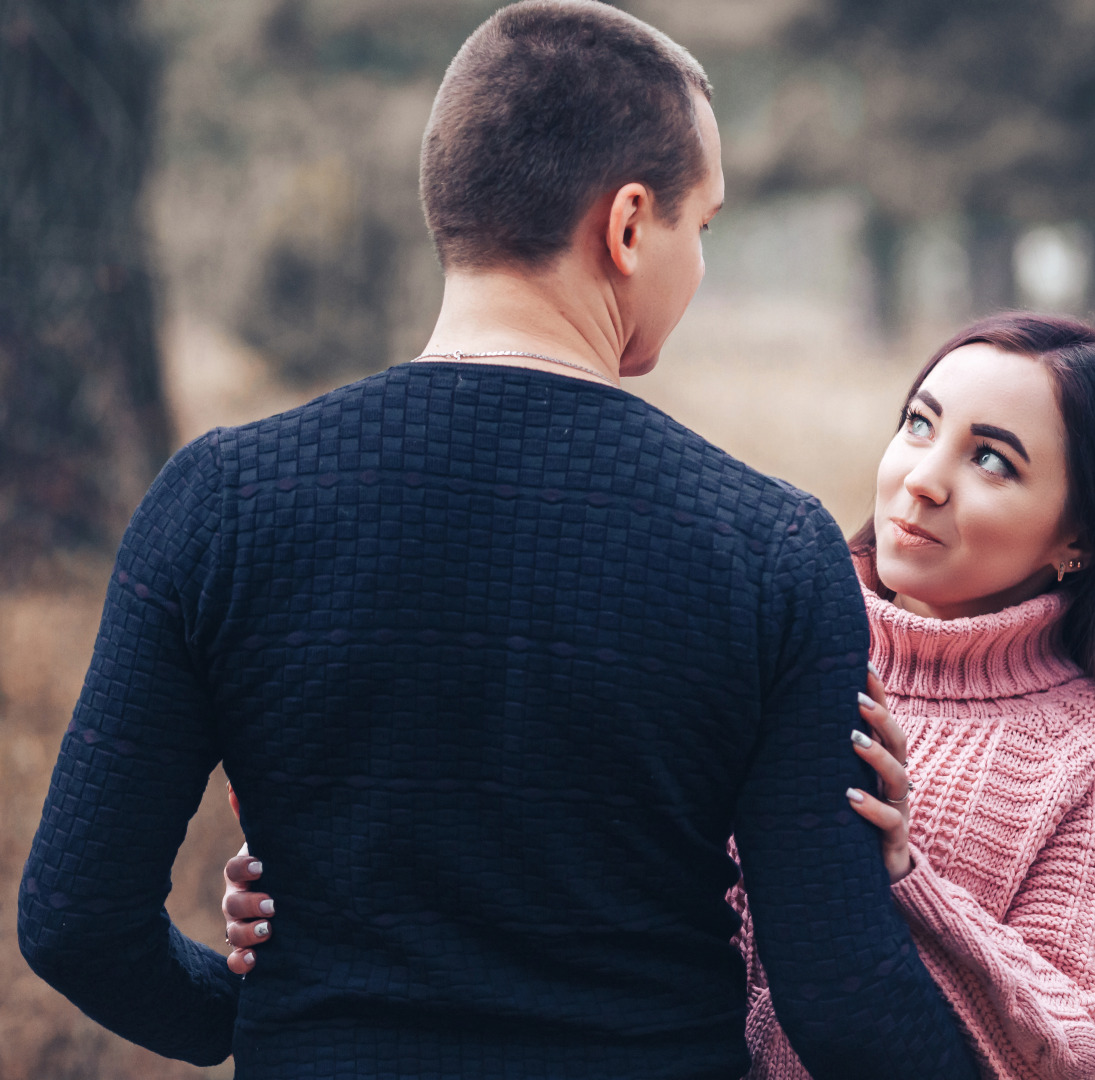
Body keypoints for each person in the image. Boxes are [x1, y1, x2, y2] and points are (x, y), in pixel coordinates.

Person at [15, 4, 978, 1079]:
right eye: (697, 228)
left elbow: (74, 919)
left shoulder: (221, 502)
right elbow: (841, 995)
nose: (696, 267)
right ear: (624, 227)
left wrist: (260, 1021)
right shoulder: (768, 550)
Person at [227, 313, 1095, 1079]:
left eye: (990, 459)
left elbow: (1071, 1041)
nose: (921, 480)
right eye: (918, 424)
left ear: (1078, 537)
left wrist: (900, 873)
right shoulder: (761, 632)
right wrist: (322, 877)